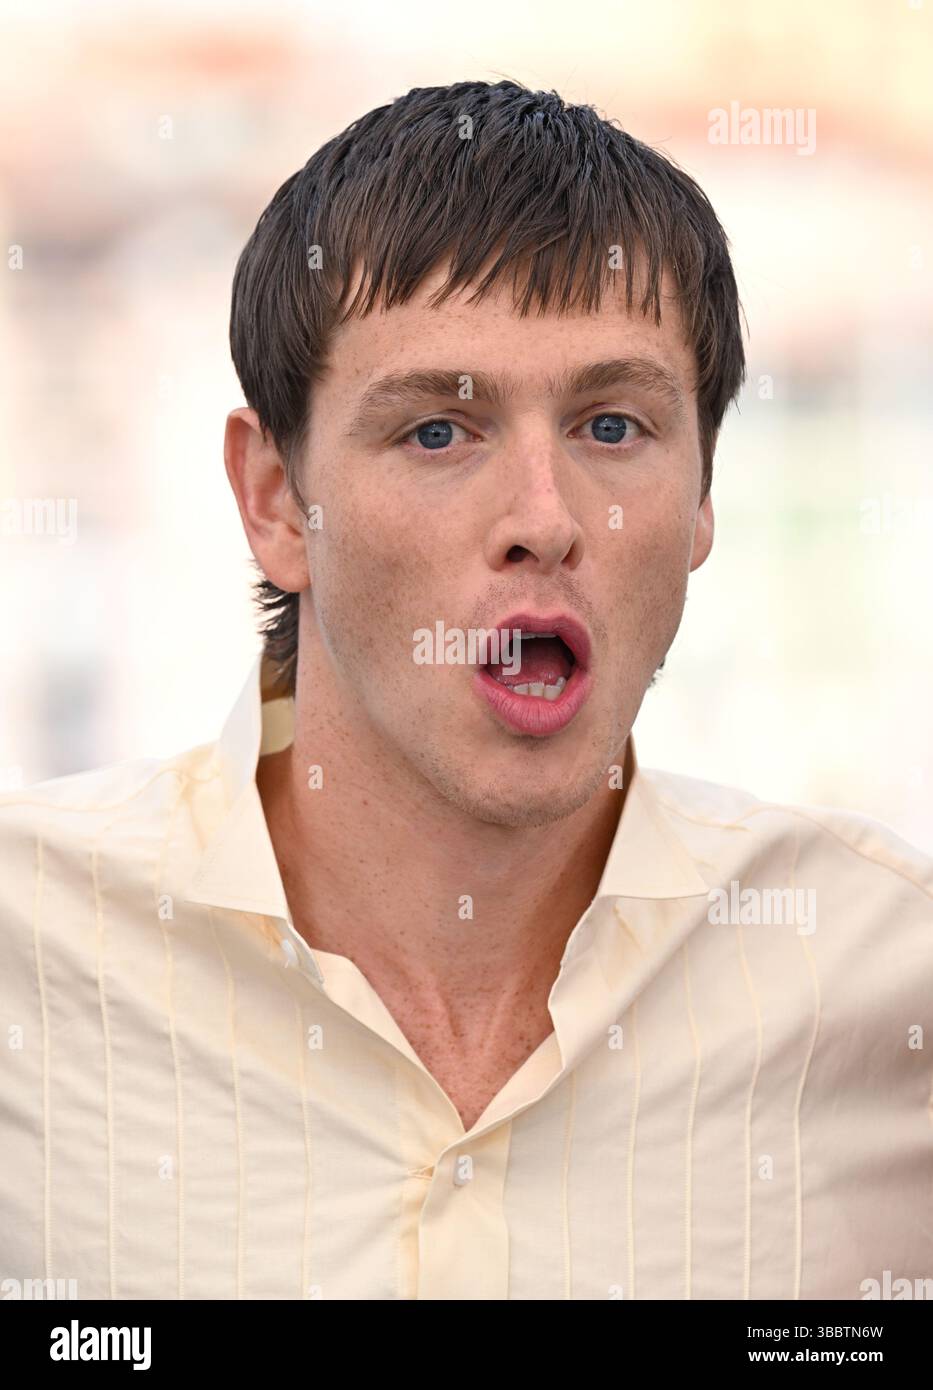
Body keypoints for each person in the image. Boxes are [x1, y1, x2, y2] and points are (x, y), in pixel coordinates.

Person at [1, 79, 930, 1303]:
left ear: (703, 496)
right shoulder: (28, 956)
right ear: (277, 501)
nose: (544, 521)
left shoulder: (887, 980)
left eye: (613, 425)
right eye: (439, 432)